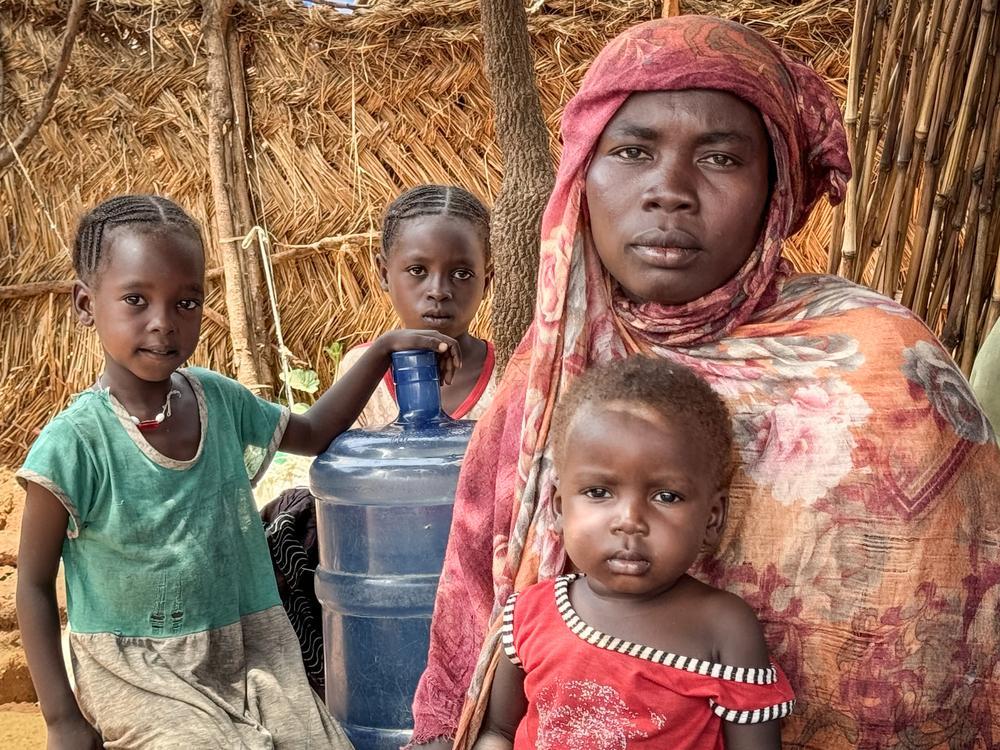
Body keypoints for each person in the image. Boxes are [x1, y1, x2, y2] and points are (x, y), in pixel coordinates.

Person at [410, 15, 1000, 750]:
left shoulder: (886, 368)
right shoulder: (549, 369)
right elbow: (479, 626)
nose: (670, 191)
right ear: (583, 175)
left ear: (775, 190)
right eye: (632, 151)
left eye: (721, 158)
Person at [15, 194, 460, 749]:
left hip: (250, 651)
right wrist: (61, 719)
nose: (163, 323)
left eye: (186, 303)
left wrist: (382, 350)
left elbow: (313, 432)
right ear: (86, 305)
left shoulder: (218, 400)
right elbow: (33, 585)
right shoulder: (76, 443)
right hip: (141, 672)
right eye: (136, 300)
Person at [474, 356, 795, 749]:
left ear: (712, 519)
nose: (630, 521)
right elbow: (499, 731)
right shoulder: (529, 613)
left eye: (666, 496)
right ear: (558, 508)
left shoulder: (724, 628)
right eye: (599, 492)